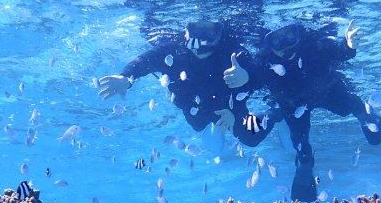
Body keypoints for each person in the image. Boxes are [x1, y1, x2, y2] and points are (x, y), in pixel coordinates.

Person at [254, 21, 381, 202]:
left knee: (350, 105)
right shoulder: (264, 62)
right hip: (292, 105)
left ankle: (367, 118)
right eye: (276, 40)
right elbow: (252, 80)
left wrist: (348, 45)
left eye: (289, 35)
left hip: (328, 91)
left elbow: (337, 50)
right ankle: (304, 169)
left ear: (298, 34)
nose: (285, 45)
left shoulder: (314, 45)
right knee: (301, 144)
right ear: (267, 44)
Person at [97, 20, 276, 148]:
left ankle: (273, 114)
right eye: (196, 30)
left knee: (250, 138)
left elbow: (262, 74)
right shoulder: (171, 50)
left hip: (231, 108)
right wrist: (125, 77)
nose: (203, 38)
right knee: (198, 125)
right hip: (193, 107)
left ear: (220, 34)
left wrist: (247, 77)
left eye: (210, 31)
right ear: (186, 32)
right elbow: (145, 61)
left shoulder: (232, 53)